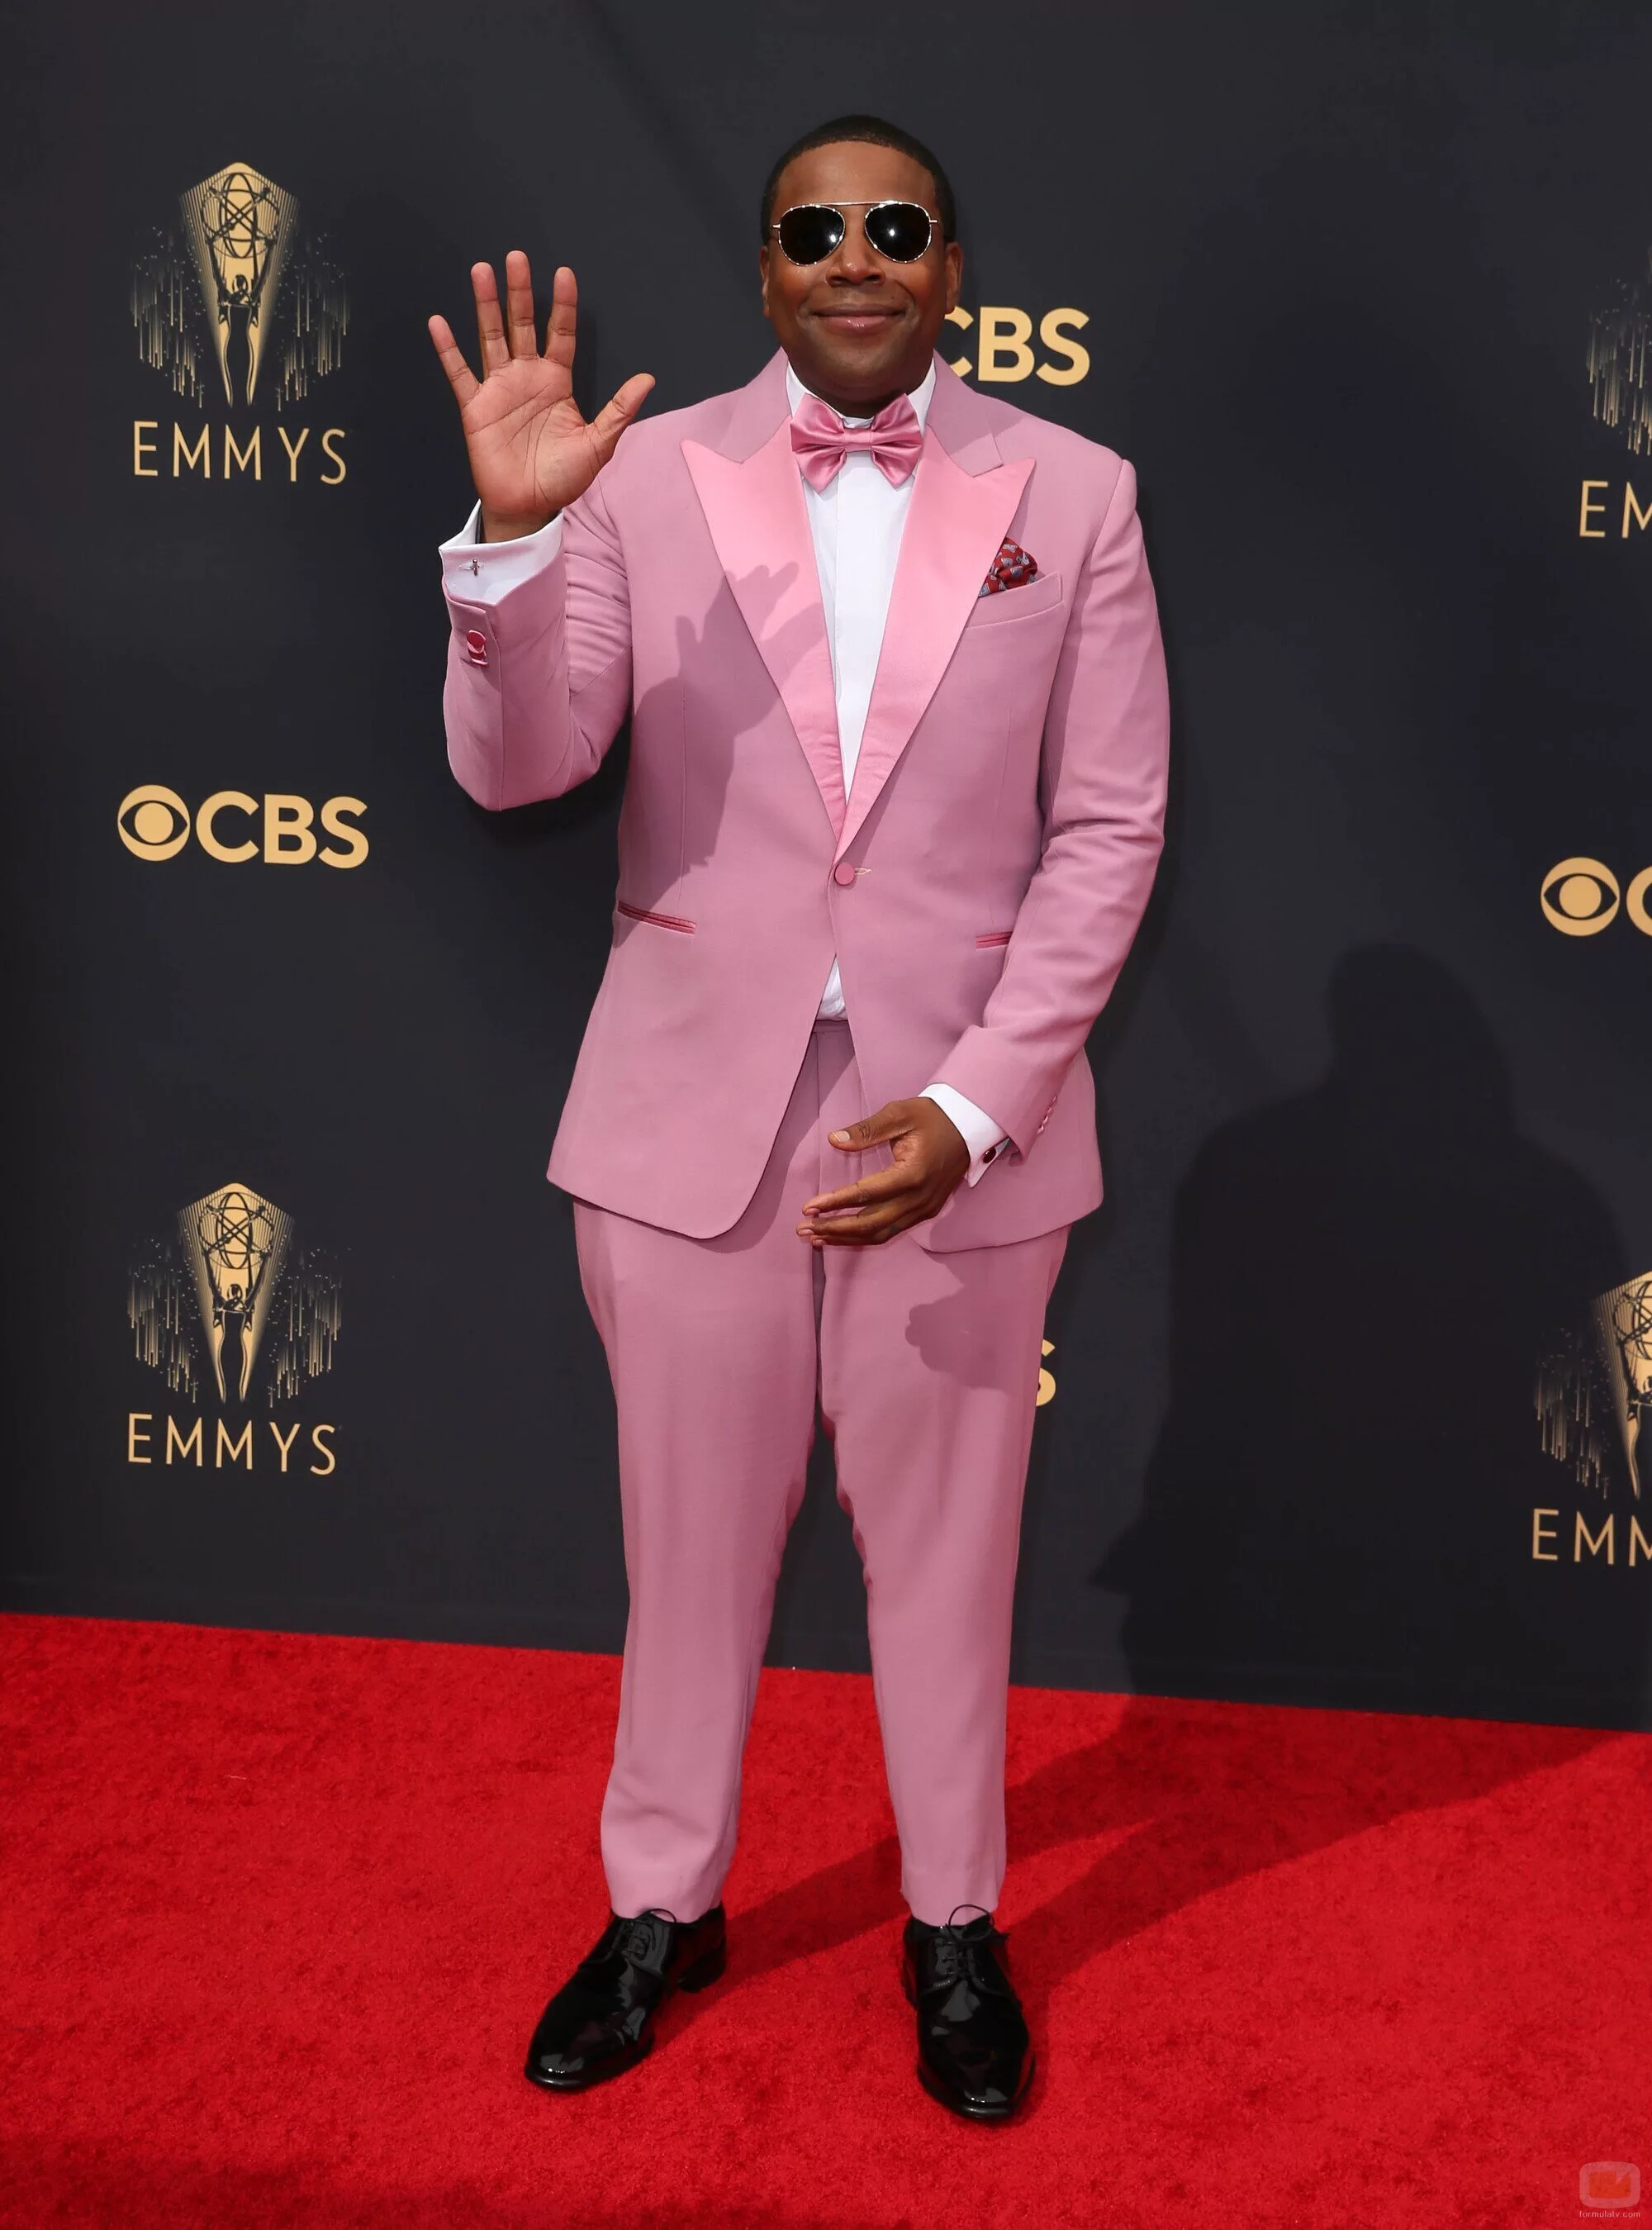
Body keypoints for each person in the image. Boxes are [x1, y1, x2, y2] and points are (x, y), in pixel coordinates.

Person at [429, 112, 1169, 2121]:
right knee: (684, 1552)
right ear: (763, 269)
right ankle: (659, 1906)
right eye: (814, 229)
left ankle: (954, 1920)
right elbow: (520, 764)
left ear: (950, 266)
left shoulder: (1077, 489)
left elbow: (1108, 828)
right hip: (688, 1114)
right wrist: (511, 549)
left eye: (895, 225)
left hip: (957, 1120)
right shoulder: (640, 473)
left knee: (949, 1559)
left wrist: (977, 1102)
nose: (857, 254)